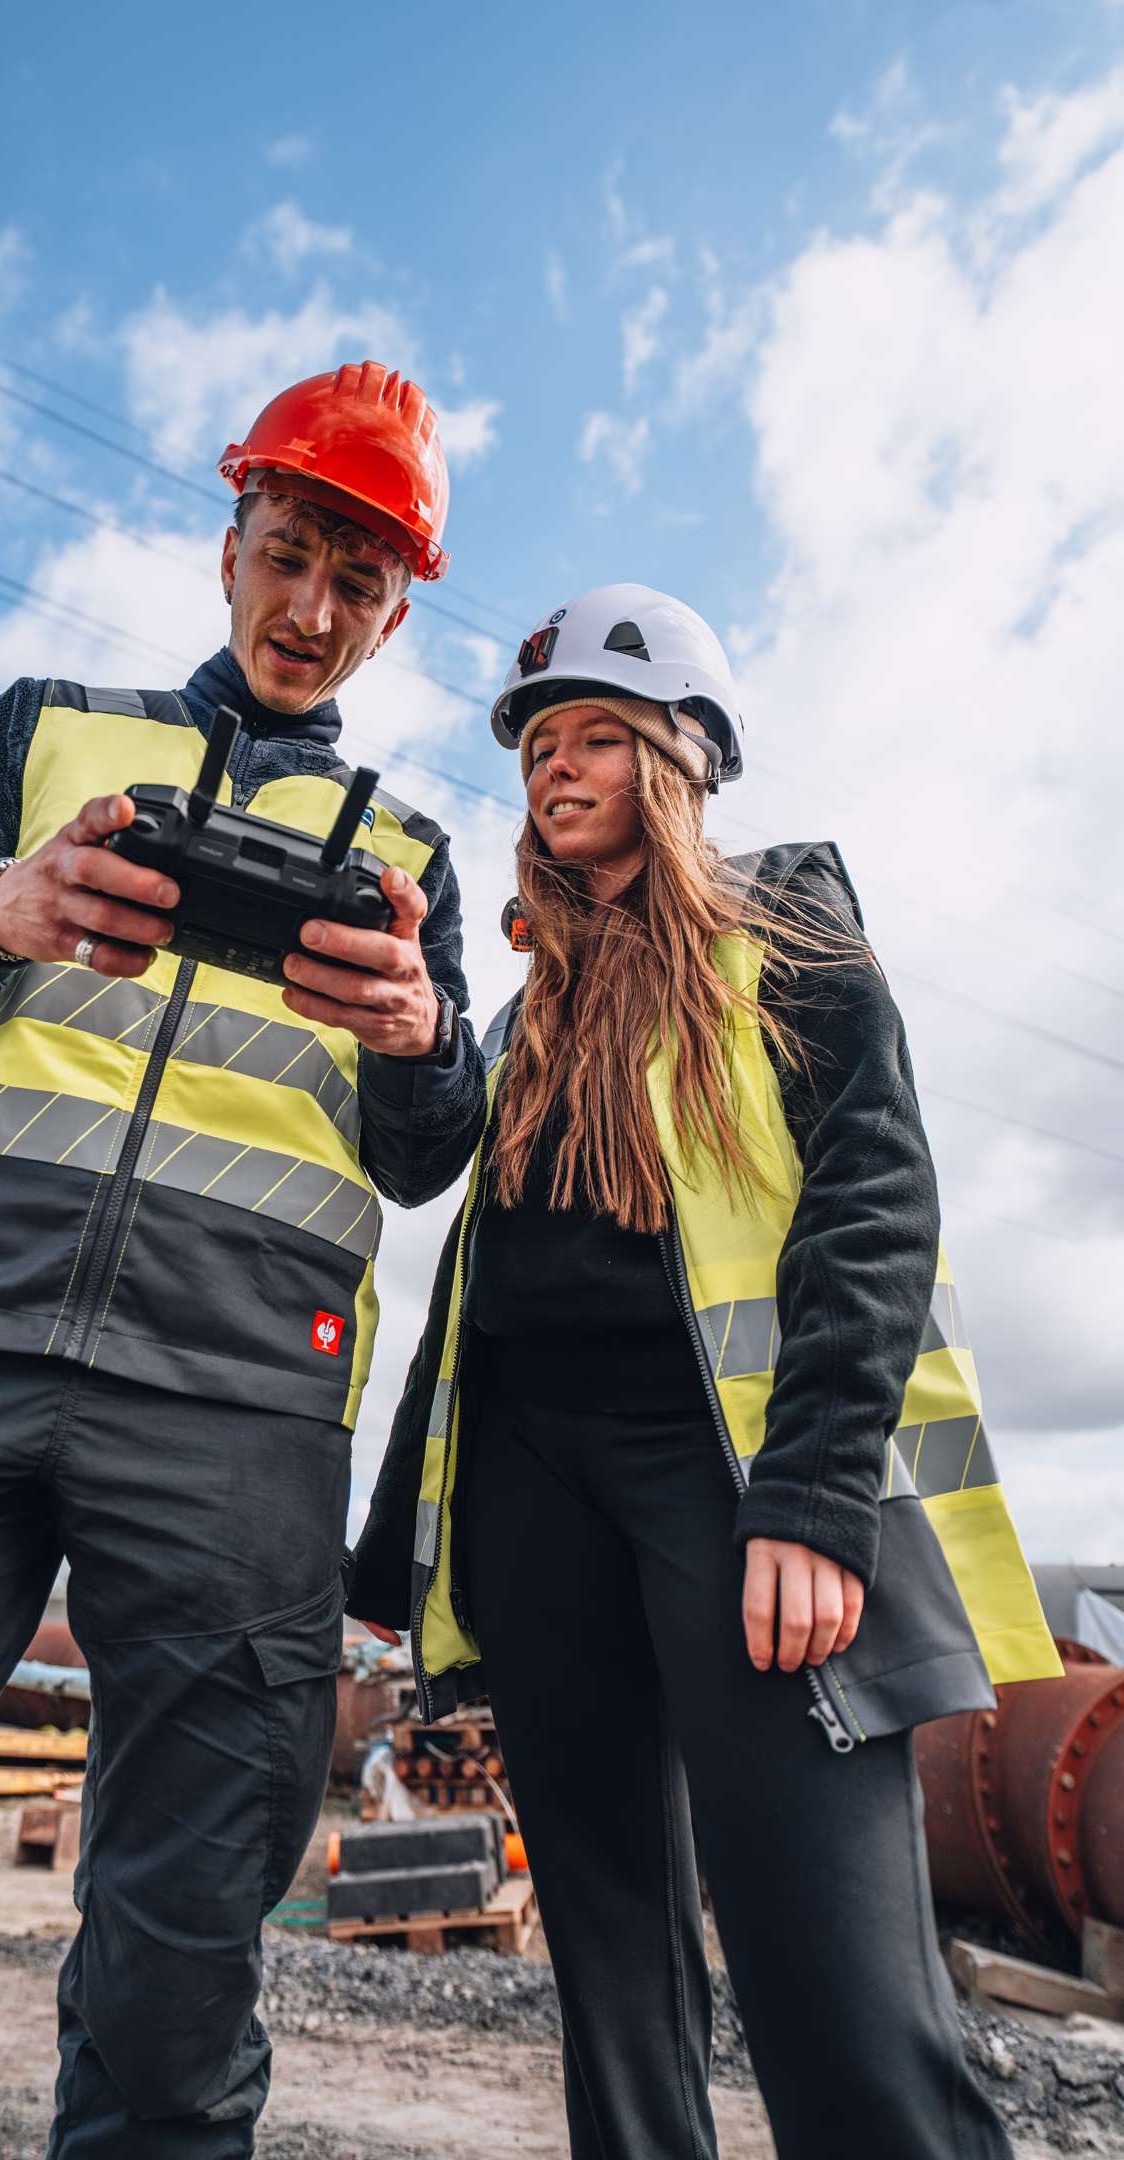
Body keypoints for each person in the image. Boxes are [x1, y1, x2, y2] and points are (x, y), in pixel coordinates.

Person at [0, 363, 487, 2159]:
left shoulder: (412, 854)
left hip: (233, 1411)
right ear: (230, 547)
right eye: (289, 557)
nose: (312, 611)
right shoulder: (44, 732)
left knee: (180, 1981)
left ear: (396, 611)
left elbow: (437, 1155)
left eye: (357, 586)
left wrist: (427, 1035)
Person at [349, 581, 1061, 2159]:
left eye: (600, 733)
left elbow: (875, 1212)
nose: (557, 765)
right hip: (534, 1493)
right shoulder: (536, 1006)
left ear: (681, 761)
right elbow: (461, 1257)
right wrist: (399, 1545)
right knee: (611, 1973)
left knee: (837, 1983)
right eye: (540, 742)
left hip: (729, 1486)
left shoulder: (791, 937)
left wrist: (813, 1498)